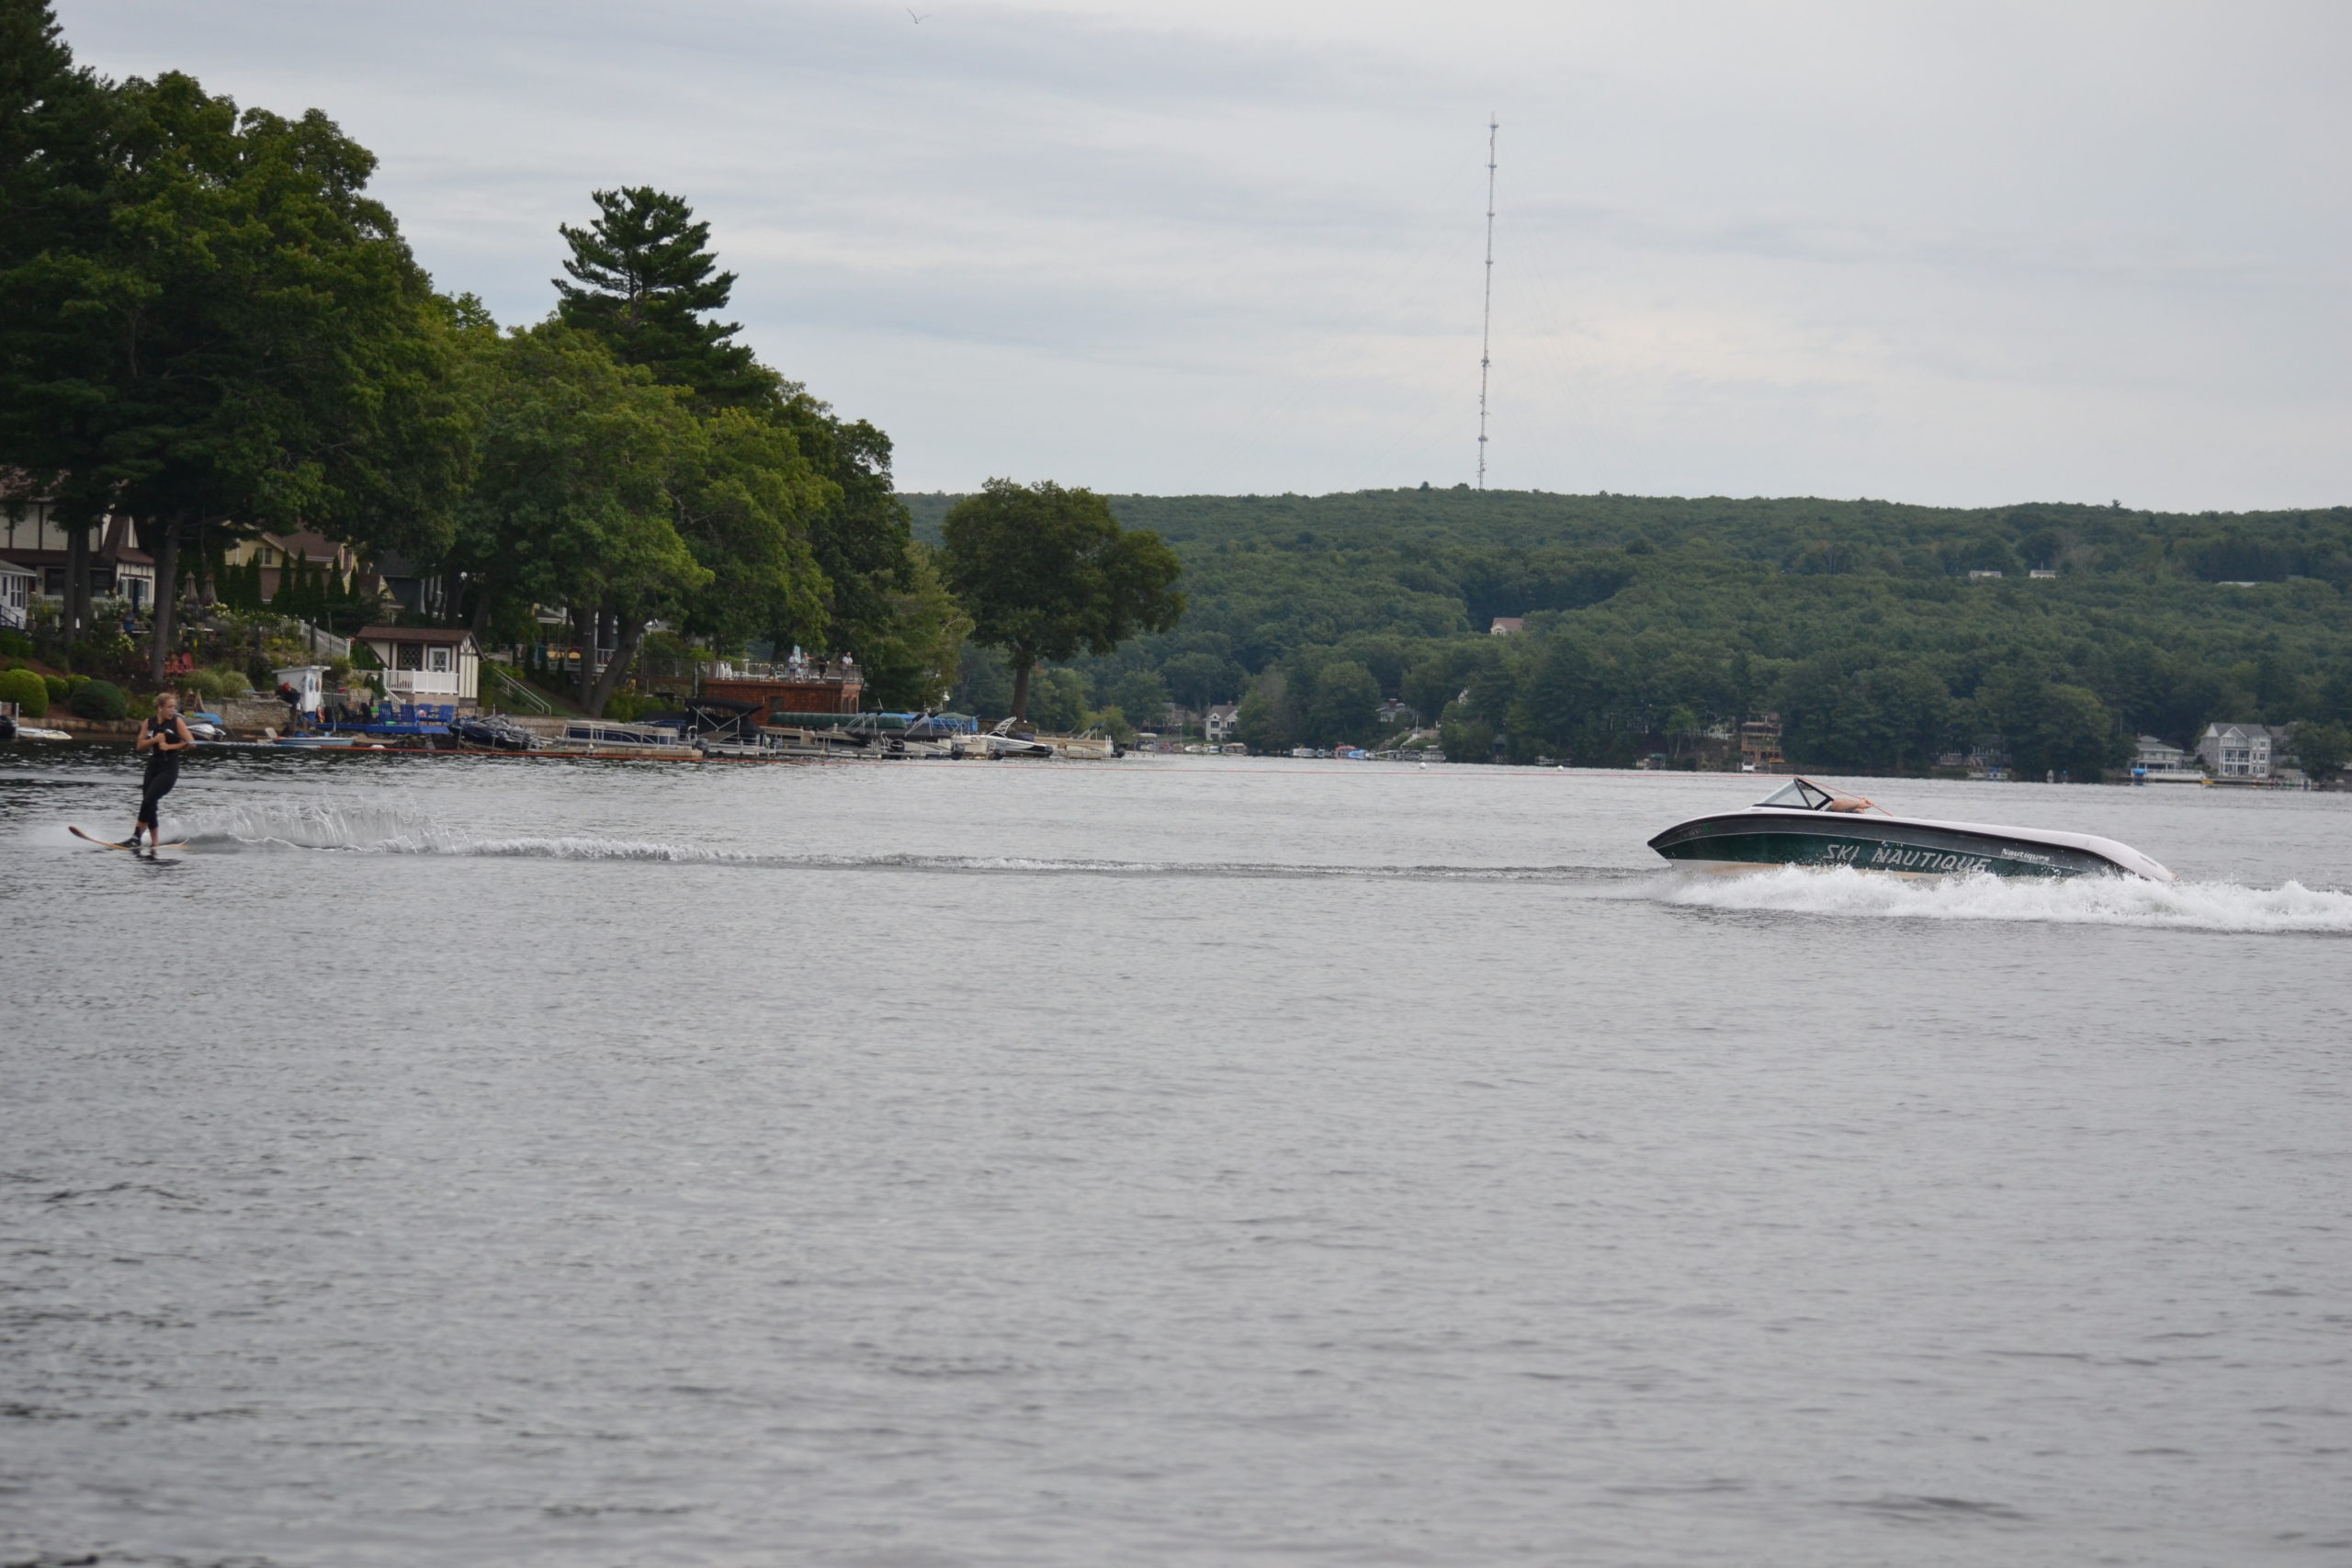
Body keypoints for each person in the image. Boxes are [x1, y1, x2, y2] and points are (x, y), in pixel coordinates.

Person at [130, 692, 195, 851]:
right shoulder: (149, 722)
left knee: (149, 800)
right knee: (149, 802)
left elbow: (191, 743)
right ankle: (155, 842)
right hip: (153, 766)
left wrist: (170, 746)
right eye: (169, 707)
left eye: (174, 707)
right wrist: (154, 740)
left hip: (169, 767)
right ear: (160, 708)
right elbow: (139, 746)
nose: (172, 710)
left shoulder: (177, 722)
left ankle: (136, 837)